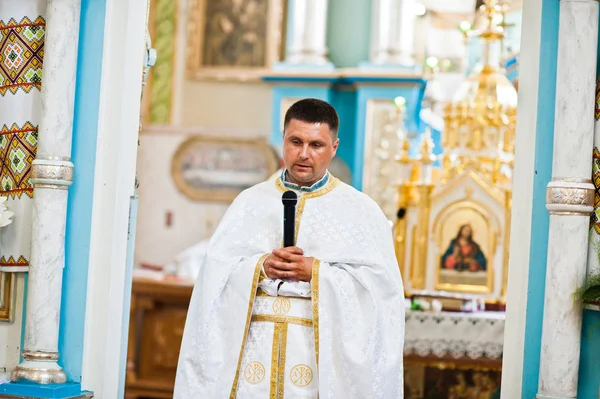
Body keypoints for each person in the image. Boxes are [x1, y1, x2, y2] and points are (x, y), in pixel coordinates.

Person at [174, 98, 405, 398]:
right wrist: (259, 267)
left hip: (317, 358)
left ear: (334, 147)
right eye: (295, 141)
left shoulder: (362, 211)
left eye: (316, 145)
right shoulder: (249, 203)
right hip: (251, 354)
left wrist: (317, 272)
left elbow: (382, 296)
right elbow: (212, 280)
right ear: (282, 139)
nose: (304, 154)